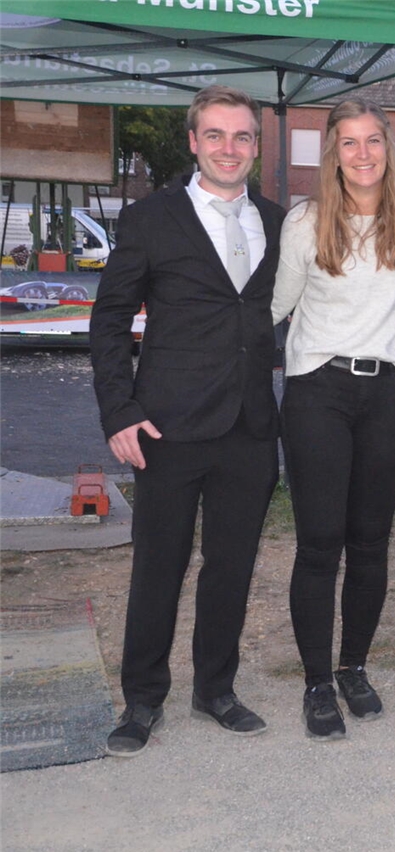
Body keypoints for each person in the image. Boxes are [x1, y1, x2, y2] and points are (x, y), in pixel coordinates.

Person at [91, 85, 285, 756]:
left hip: (251, 427)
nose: (229, 148)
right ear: (194, 141)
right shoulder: (151, 218)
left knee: (230, 567)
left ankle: (216, 689)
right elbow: (110, 320)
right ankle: (142, 700)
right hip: (165, 428)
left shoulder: (280, 220)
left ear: (256, 147)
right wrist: (119, 410)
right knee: (158, 567)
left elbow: (276, 316)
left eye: (242, 137)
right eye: (216, 135)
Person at [271, 98, 395, 741]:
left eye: (373, 142)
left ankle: (354, 666)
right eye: (349, 143)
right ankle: (315, 681)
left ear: (389, 150)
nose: (363, 155)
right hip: (318, 393)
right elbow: (272, 307)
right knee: (319, 543)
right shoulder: (305, 223)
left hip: (389, 392)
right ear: (333, 153)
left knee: (370, 543)